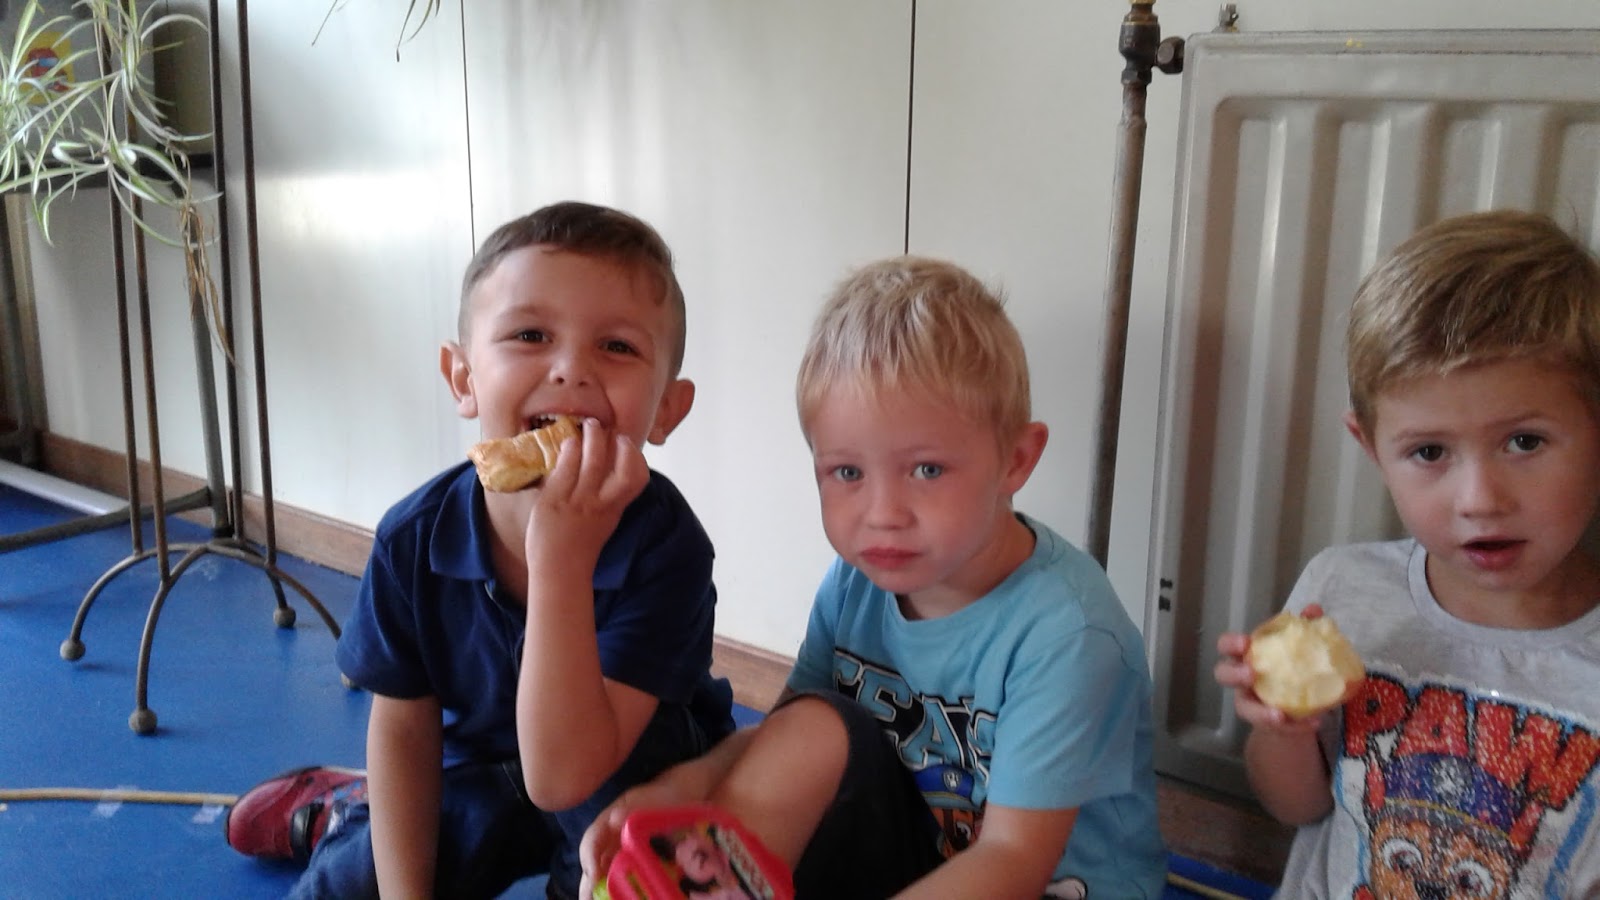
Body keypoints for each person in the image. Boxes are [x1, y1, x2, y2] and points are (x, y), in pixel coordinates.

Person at [581, 256, 1168, 899]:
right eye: (848, 473)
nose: (883, 515)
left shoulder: (1068, 633)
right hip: (920, 858)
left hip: (1040, 883)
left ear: (1016, 460)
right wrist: (689, 785)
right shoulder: (855, 583)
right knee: (811, 724)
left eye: (926, 471)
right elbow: (788, 736)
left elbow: (1012, 860)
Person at [223, 201, 735, 899]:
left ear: (667, 409)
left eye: (616, 347)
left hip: (627, 776)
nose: (571, 369)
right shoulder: (414, 538)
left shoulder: (669, 550)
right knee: (353, 884)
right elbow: (405, 730)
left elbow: (566, 775)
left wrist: (561, 559)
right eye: (530, 334)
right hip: (477, 770)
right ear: (463, 378)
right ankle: (343, 813)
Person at [1212, 209, 1600, 897]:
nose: (1479, 499)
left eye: (1525, 442)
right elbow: (1297, 807)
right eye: (1429, 452)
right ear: (1371, 448)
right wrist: (1284, 729)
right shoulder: (1343, 587)